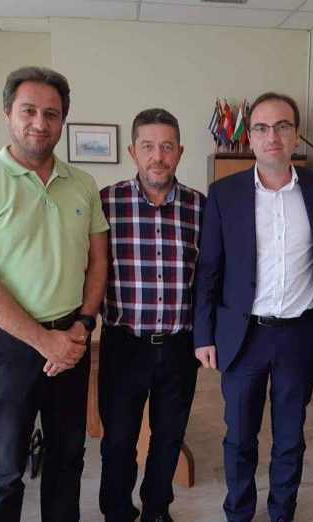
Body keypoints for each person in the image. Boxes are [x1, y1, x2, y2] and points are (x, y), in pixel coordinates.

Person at [0, 66, 109, 522]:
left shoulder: (82, 184)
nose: (40, 122)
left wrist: (83, 324)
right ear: (8, 113)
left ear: (63, 120)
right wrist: (43, 341)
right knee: (4, 466)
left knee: (67, 458)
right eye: (29, 111)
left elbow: (98, 261)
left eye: (52, 114)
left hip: (71, 338)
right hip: (9, 343)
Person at [194, 92, 313, 522]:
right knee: (240, 437)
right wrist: (203, 335)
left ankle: (282, 514)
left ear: (296, 134)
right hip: (243, 335)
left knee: (290, 436)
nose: (271, 136)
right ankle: (239, 513)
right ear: (250, 137)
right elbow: (209, 269)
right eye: (261, 127)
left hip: (300, 334)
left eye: (282, 126)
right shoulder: (224, 194)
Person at [98, 108, 205, 522]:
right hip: (124, 345)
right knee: (118, 441)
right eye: (147, 146)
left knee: (169, 438)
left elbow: (209, 277)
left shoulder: (200, 207)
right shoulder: (105, 203)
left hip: (179, 346)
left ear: (179, 152)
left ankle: (157, 510)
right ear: (132, 152)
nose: (157, 156)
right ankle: (117, 512)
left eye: (166, 147)